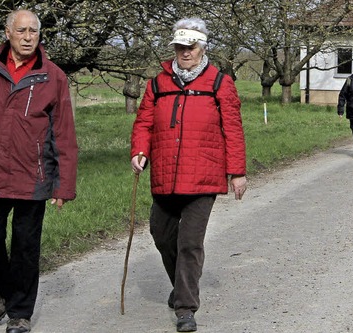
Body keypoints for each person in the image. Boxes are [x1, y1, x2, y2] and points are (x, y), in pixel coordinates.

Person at [0, 9, 78, 333]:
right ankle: (6, 291)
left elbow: (64, 135)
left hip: (33, 177)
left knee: (25, 247)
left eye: (34, 31)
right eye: (21, 30)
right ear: (8, 33)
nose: (28, 36)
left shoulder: (54, 77)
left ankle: (20, 313)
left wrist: (64, 186)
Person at [130, 17, 247, 332]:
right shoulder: (157, 83)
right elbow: (143, 122)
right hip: (165, 176)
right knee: (161, 233)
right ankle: (181, 286)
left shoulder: (220, 83)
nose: (185, 52)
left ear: (202, 47)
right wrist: (140, 150)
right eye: (180, 46)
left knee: (189, 242)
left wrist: (237, 172)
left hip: (203, 177)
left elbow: (233, 129)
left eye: (190, 46)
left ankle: (185, 307)